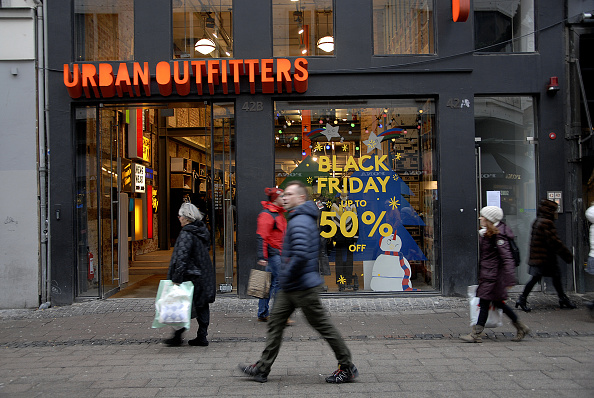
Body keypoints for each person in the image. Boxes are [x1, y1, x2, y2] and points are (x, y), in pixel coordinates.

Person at [238, 180, 358, 383]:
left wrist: (286, 274)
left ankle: (347, 366)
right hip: (292, 285)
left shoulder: (300, 220)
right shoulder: (295, 217)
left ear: (301, 197)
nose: (285, 197)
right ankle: (262, 368)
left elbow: (301, 255)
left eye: (290, 194)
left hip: (302, 286)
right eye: (284, 195)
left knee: (323, 326)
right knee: (275, 323)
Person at [461, 206, 530, 343]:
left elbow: (507, 258)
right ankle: (521, 327)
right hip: (489, 274)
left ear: (489, 219)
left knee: (485, 302)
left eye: (483, 216)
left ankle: (476, 334)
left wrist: (510, 280)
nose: (480, 218)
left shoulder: (498, 236)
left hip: (494, 277)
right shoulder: (489, 233)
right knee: (498, 303)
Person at [164, 202, 216, 347]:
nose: (178, 218)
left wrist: (177, 277)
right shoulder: (202, 231)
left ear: (186, 217)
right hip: (203, 273)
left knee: (181, 305)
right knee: (202, 305)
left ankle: (177, 336)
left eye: (180, 215)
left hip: (190, 275)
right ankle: (202, 336)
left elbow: (182, 256)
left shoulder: (187, 234)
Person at [515, 199, 575, 312]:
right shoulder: (546, 223)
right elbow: (554, 241)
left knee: (555, 277)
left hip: (543, 257)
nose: (556, 213)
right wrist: (567, 255)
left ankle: (562, 299)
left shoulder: (538, 221)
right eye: (555, 211)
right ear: (550, 211)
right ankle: (522, 299)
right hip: (543, 258)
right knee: (537, 278)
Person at [256, 187, 286, 322]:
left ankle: (263, 313)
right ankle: (278, 315)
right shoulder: (267, 214)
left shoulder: (278, 214)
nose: (284, 199)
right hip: (274, 255)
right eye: (282, 197)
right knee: (277, 284)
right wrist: (262, 256)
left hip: (278, 254)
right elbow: (262, 236)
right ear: (275, 199)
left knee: (268, 284)